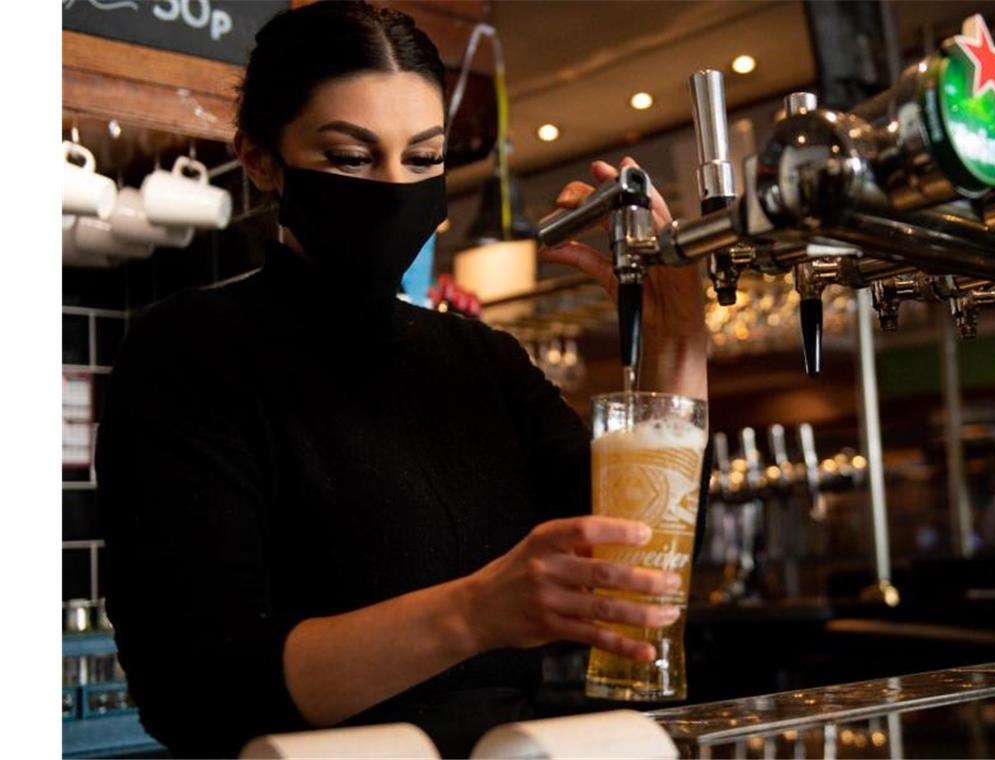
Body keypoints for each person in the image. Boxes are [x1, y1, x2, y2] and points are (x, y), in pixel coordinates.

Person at [95, 3, 709, 757]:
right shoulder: (188, 353)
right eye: (351, 158)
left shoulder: (485, 361)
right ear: (260, 159)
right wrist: (475, 614)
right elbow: (198, 689)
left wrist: (679, 327)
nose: (393, 187)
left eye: (423, 160)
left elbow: (646, 568)